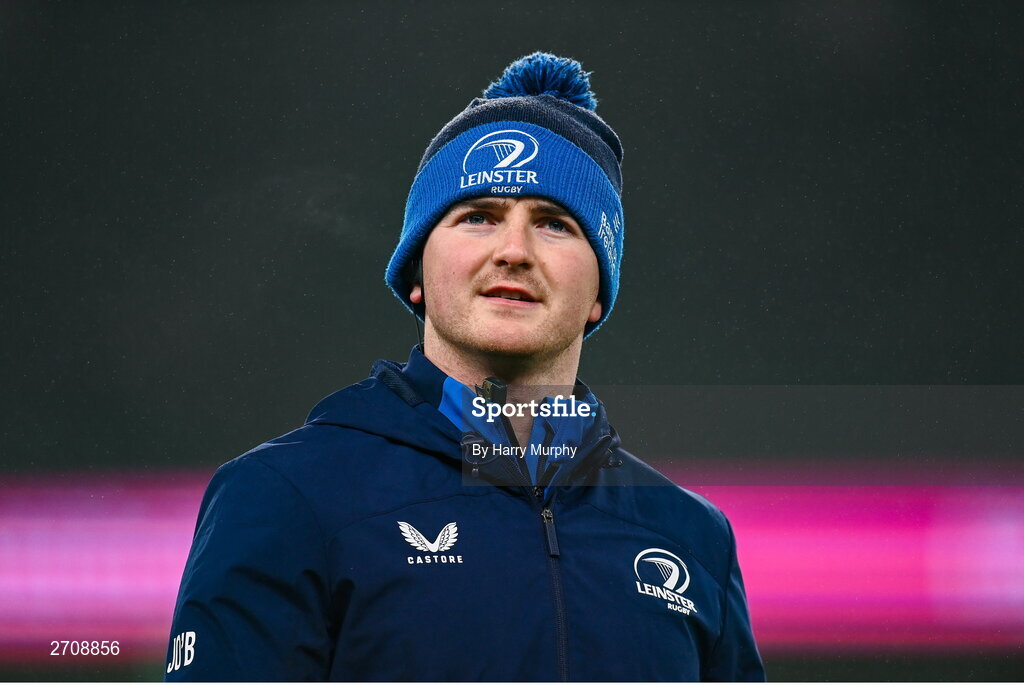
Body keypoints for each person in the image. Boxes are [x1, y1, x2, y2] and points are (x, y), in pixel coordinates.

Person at [164, 52, 765, 681]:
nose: (513, 251)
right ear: (416, 273)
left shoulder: (692, 538)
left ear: (598, 293)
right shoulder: (284, 495)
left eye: (555, 224)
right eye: (478, 217)